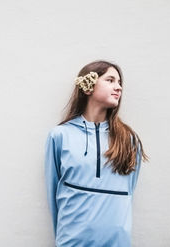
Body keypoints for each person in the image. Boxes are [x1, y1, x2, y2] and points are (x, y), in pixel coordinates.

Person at [44, 60, 149, 247]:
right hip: (72, 242)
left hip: (117, 241)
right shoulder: (60, 136)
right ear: (88, 87)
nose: (118, 88)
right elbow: (54, 194)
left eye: (119, 83)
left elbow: (129, 192)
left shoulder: (128, 139)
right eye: (110, 80)